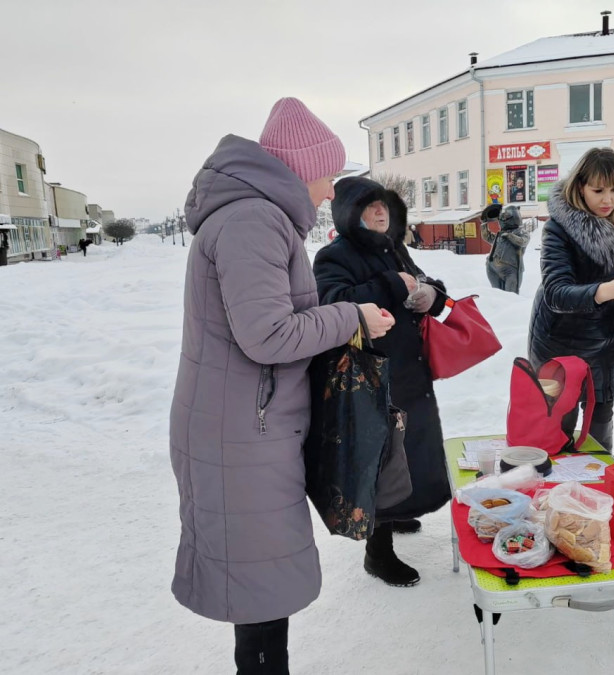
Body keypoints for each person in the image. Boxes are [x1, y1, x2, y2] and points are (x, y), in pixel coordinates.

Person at [169, 97, 395, 674]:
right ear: (298, 167)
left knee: (260, 586)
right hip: (243, 432)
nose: (328, 191)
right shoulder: (254, 220)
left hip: (246, 424)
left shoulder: (254, 215)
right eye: (326, 175)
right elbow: (267, 336)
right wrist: (353, 317)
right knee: (260, 593)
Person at [313, 176, 452, 588]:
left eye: (384, 206)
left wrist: (431, 294)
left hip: (409, 372)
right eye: (369, 206)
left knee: (409, 448)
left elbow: (426, 285)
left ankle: (400, 510)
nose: (380, 213)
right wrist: (393, 285)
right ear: (348, 213)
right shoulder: (332, 255)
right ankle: (378, 551)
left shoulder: (395, 247)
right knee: (380, 458)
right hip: (368, 378)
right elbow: (333, 303)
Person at [527, 147, 614, 452]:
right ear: (580, 187)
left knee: (600, 425)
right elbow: (556, 291)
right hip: (560, 342)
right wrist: (605, 290)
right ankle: (555, 495)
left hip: (607, 343)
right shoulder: (559, 228)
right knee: (558, 426)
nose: (608, 200)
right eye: (598, 190)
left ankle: (597, 492)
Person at [480, 203, 531, 293]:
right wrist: (484, 223)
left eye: (505, 217)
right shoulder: (500, 233)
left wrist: (510, 236)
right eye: (502, 217)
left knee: (511, 295)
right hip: (493, 268)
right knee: (498, 295)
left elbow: (523, 241)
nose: (502, 220)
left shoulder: (521, 232)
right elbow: (487, 237)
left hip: (511, 269)